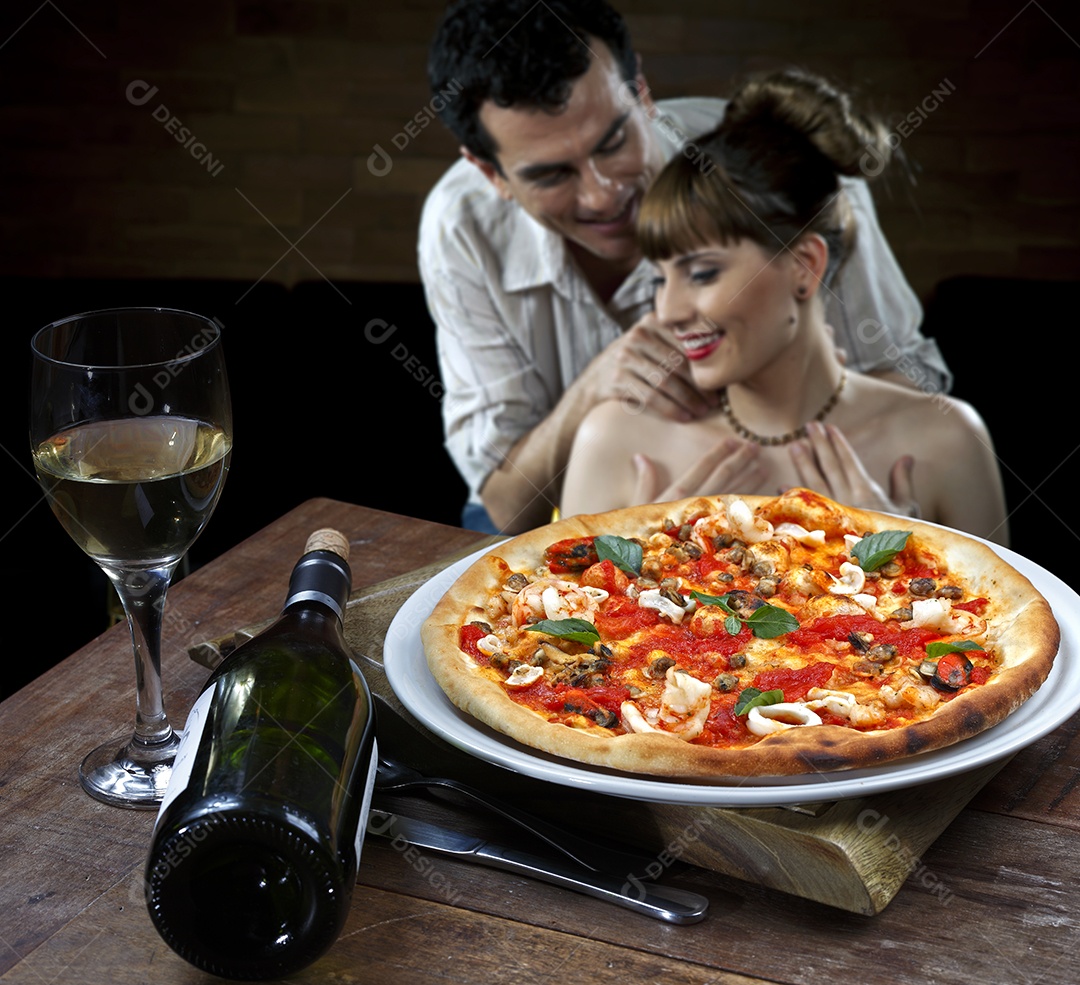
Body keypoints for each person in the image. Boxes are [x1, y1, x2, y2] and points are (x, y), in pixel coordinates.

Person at [419, 0, 952, 535]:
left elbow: (913, 392)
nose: (603, 195)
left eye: (613, 143)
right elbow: (507, 508)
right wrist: (593, 391)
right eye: (552, 175)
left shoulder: (786, 166)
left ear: (642, 95)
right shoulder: (463, 229)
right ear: (490, 172)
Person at [559, 68, 1008, 546]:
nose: (666, 311)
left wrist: (905, 563)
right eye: (658, 279)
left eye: (703, 272)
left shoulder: (948, 442)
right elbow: (549, 614)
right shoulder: (612, 442)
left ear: (803, 265)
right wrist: (648, 568)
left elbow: (1013, 614)